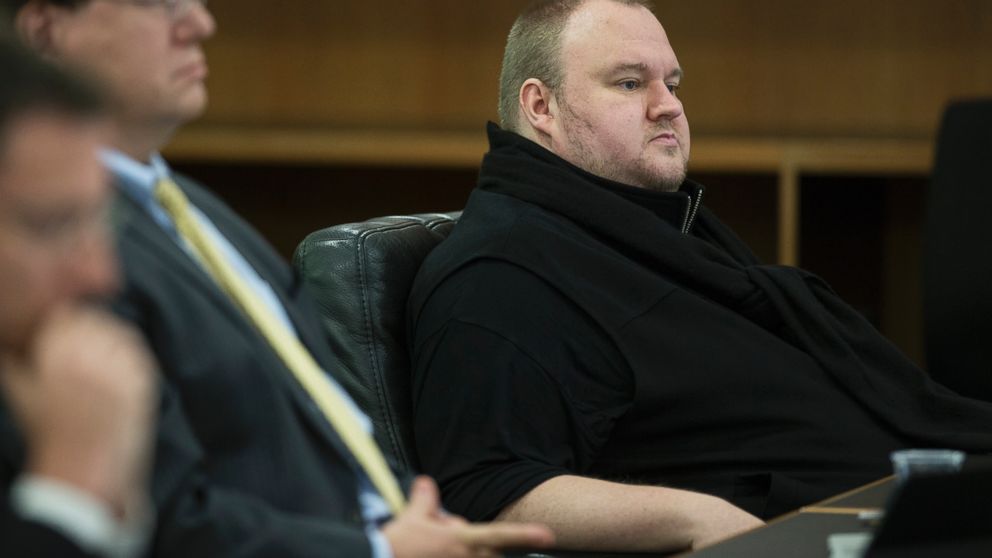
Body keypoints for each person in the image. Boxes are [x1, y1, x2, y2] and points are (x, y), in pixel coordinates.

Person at [407, 0, 992, 553]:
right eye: (631, 83)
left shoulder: (647, 222)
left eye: (673, 83)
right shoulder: (499, 274)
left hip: (927, 499)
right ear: (541, 107)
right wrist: (695, 516)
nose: (669, 105)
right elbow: (487, 489)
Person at [4, 1, 554, 557]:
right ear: (45, 29)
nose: (201, 23)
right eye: (158, 3)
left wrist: (419, 514)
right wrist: (379, 550)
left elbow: (328, 419)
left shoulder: (194, 210)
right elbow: (164, 517)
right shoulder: (61, 267)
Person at [0, 39, 158, 557]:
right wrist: (71, 493)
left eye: (98, 220)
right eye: (53, 226)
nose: (100, 275)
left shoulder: (41, 379)